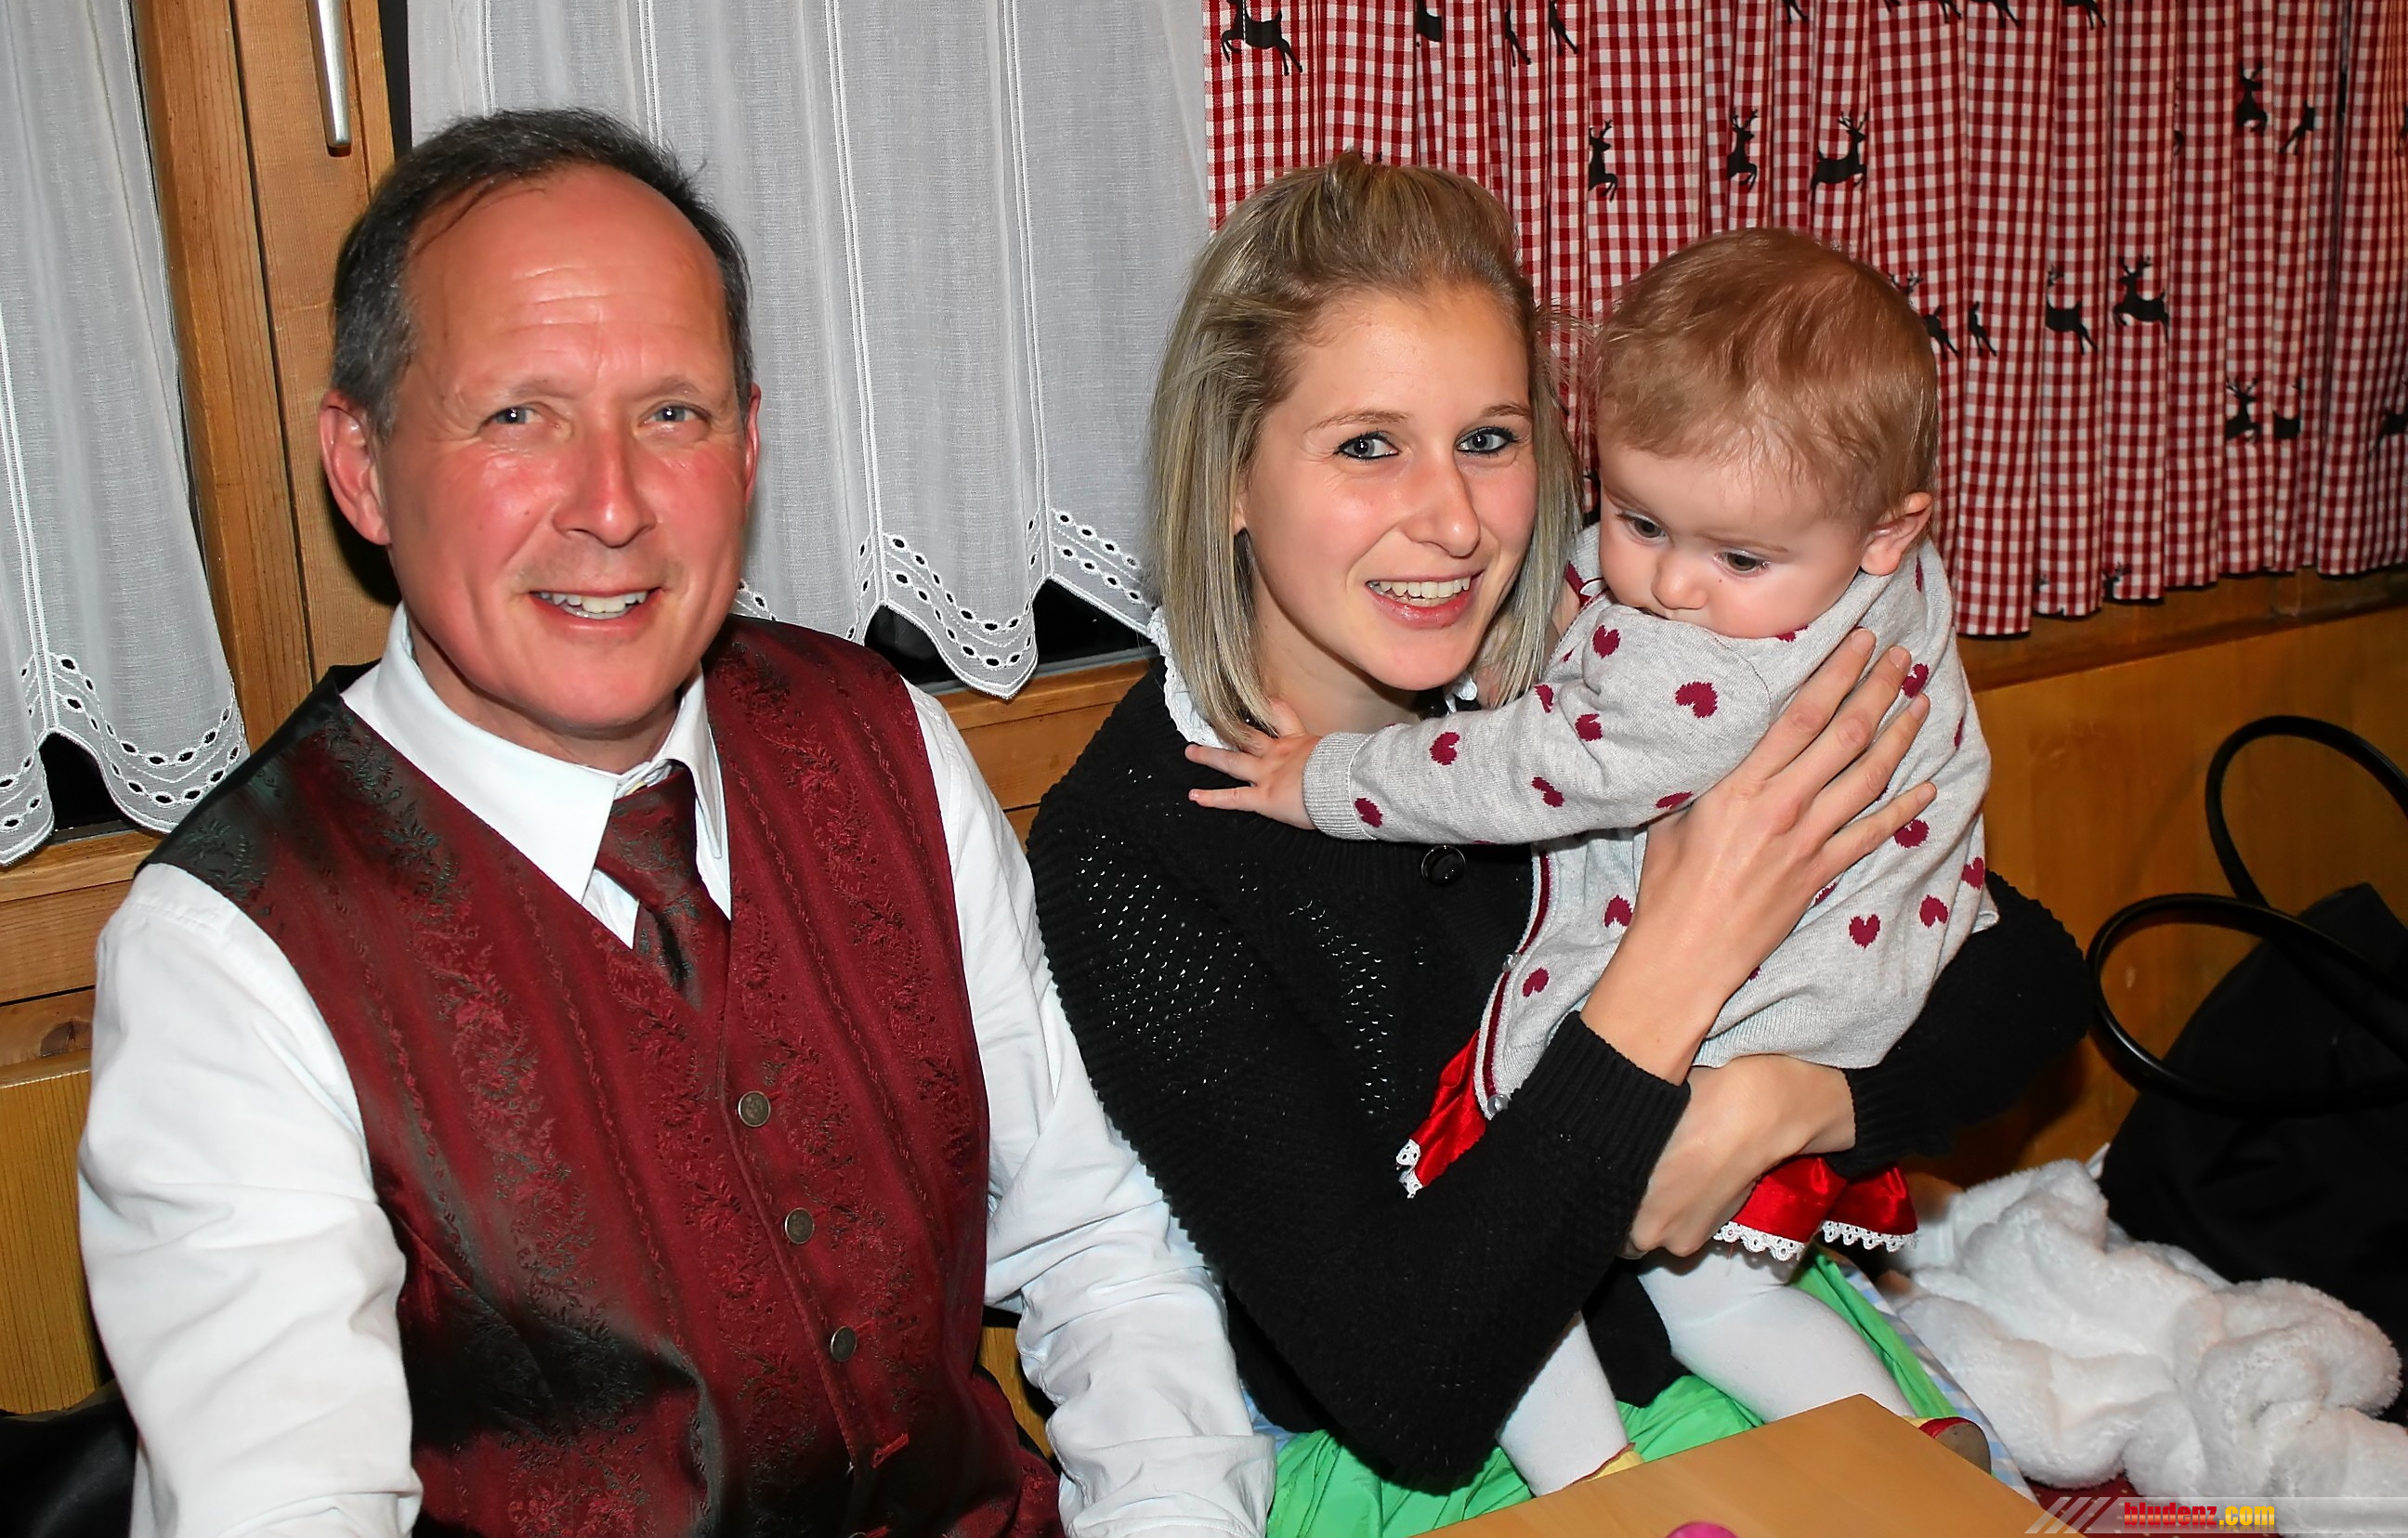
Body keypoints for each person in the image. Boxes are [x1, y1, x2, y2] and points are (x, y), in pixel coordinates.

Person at [77, 109, 1271, 1538]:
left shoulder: (881, 739)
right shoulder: (229, 957)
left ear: (749, 445)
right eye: (518, 416)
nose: (612, 504)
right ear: (363, 464)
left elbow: (1106, 1249)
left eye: (673, 414)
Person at [1027, 155, 2094, 1525]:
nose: (1454, 522)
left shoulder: (1619, 653)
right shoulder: (1137, 854)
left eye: (1489, 440)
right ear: (1231, 472)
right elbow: (1411, 1388)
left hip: (1752, 1334)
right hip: (1470, 1460)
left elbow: (2025, 976)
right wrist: (1677, 962)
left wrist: (1784, 1105)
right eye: (1368, 446)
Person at [1187, 228, 1996, 1487]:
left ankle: (1591, 1486)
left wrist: (1323, 781)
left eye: (1487, 439)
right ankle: (1919, 1460)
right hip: (1858, 977)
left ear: (1889, 533)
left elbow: (1534, 764)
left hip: (1761, 1015)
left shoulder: (1714, 667)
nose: (1668, 587)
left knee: (1473, 1156)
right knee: (1719, 1301)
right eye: (1634, 520)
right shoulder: (1837, 563)